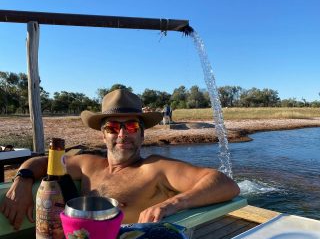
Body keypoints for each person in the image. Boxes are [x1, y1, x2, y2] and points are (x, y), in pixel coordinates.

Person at [1, 89, 240, 230]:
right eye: (113, 127)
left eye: (132, 126)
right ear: (103, 133)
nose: (122, 134)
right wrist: (22, 180)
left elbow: (224, 183)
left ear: (142, 132)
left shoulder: (155, 168)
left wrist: (171, 204)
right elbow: (44, 161)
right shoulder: (87, 164)